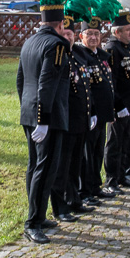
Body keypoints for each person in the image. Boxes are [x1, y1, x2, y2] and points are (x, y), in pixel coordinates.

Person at [16, 0, 71, 244]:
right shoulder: (58, 45)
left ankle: (38, 214)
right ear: (61, 24)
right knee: (45, 168)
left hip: (30, 113)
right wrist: (44, 120)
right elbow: (47, 84)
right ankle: (32, 222)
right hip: (46, 117)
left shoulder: (29, 42)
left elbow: (20, 80)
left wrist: (28, 112)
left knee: (34, 166)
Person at [52, 22, 94, 221]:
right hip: (65, 120)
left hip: (80, 119)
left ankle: (74, 199)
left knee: (76, 164)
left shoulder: (78, 55)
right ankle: (61, 207)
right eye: (65, 33)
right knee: (63, 166)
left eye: (71, 34)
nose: (68, 37)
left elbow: (86, 87)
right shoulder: (58, 56)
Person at [104, 11, 130, 190]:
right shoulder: (112, 50)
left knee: (127, 141)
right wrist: (118, 105)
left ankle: (122, 174)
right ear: (117, 32)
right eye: (127, 30)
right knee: (115, 143)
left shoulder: (127, 49)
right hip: (119, 106)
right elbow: (113, 82)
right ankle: (111, 179)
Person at [79, 15, 115, 202]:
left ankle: (95, 186)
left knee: (98, 151)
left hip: (102, 113)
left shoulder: (101, 56)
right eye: (89, 34)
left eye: (96, 34)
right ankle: (85, 190)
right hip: (89, 114)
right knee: (87, 154)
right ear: (81, 37)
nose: (93, 37)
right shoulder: (81, 56)